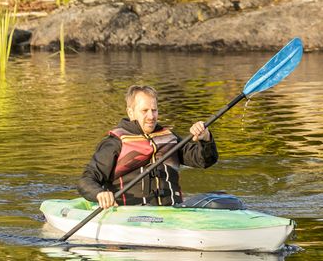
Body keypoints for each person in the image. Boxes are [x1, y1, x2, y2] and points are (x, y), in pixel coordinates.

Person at [78, 84, 218, 209]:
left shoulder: (169, 137)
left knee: (222, 199)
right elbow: (86, 179)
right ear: (131, 112)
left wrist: (205, 139)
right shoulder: (114, 143)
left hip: (173, 212)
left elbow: (204, 161)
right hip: (131, 215)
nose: (151, 116)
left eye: (154, 110)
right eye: (145, 111)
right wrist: (100, 194)